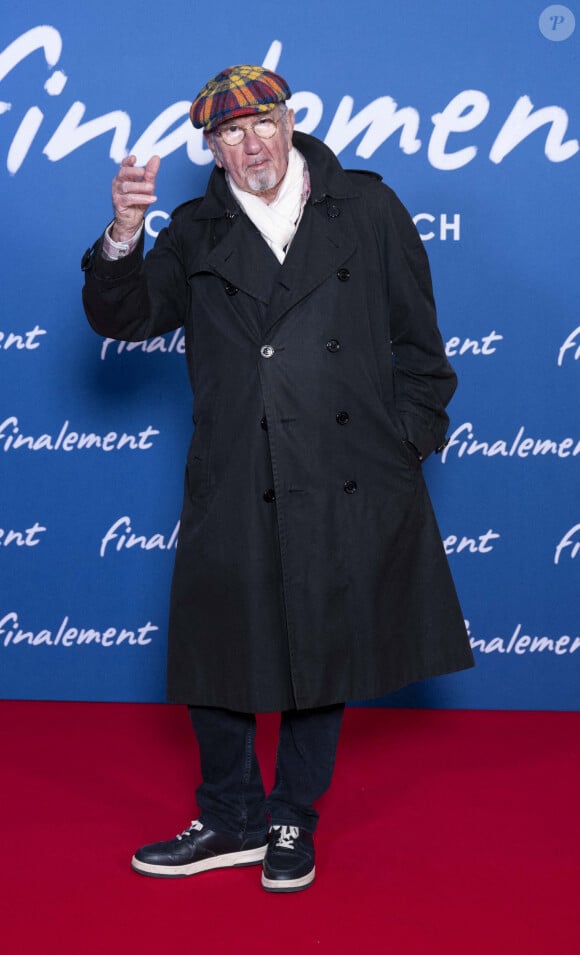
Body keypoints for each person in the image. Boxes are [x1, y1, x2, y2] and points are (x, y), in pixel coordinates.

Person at [82, 64, 474, 893]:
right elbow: (126, 315)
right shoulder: (191, 229)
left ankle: (293, 814)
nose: (251, 143)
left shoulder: (367, 209)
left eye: (263, 123)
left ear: (290, 120)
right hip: (235, 471)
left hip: (343, 472)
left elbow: (422, 351)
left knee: (319, 646)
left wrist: (399, 446)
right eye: (230, 133)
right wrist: (123, 234)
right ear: (213, 149)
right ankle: (229, 815)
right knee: (218, 644)